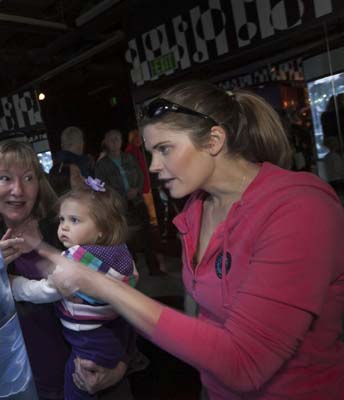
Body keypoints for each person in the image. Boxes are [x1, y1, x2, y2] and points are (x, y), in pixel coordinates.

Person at [39, 81, 344, 399]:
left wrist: (102, 285)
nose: (155, 166)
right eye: (151, 152)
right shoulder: (197, 210)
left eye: (165, 149)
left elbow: (244, 363)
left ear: (214, 141)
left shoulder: (299, 208)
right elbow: (201, 321)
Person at [0, 140, 133, 399]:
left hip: (99, 375)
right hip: (33, 387)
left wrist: (120, 366)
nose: (17, 190)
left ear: (38, 183)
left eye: (28, 178)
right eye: (5, 178)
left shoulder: (68, 228)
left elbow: (120, 296)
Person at [9, 177, 138, 400]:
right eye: (62, 220)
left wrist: (13, 285)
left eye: (75, 220)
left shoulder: (78, 259)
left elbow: (46, 289)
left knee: (76, 385)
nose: (64, 227)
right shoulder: (116, 253)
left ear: (101, 230)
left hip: (89, 344)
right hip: (108, 340)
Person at [95, 129, 163, 276]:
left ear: (121, 141)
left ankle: (154, 268)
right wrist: (119, 196)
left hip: (137, 201)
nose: (114, 141)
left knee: (147, 235)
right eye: (111, 138)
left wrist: (136, 189)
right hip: (119, 206)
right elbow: (102, 187)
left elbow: (140, 175)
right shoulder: (102, 165)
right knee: (126, 240)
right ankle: (131, 272)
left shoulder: (130, 158)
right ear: (105, 142)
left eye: (117, 138)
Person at [49, 126, 93, 195]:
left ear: (62, 145)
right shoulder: (80, 163)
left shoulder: (56, 167)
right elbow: (91, 187)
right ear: (80, 143)